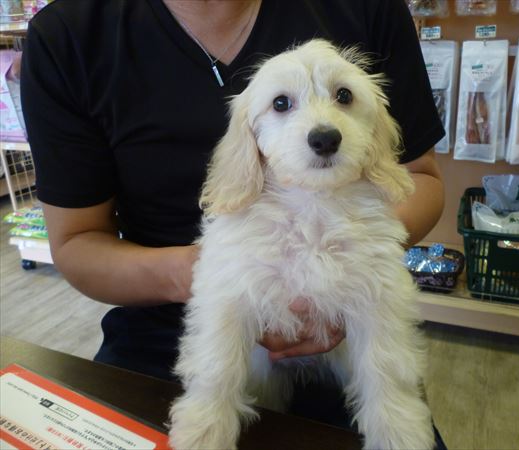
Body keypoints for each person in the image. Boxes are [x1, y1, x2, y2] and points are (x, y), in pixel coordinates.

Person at [21, 0, 446, 447]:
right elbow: (76, 242)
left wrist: (358, 266)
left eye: (343, 97)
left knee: (396, 417)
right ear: (251, 136)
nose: (323, 127)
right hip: (160, 331)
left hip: (351, 346)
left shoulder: (368, 9)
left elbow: (419, 183)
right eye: (282, 104)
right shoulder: (69, 34)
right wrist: (217, 276)